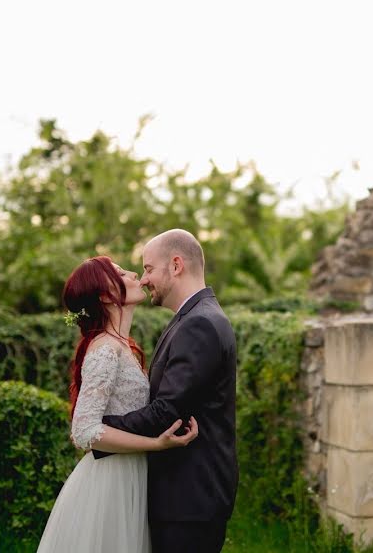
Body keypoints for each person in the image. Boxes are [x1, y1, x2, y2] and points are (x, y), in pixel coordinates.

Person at [37, 255, 199, 553]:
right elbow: (84, 431)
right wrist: (156, 445)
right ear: (105, 295)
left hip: (131, 473)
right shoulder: (105, 350)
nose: (134, 273)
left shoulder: (122, 346)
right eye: (121, 273)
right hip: (109, 482)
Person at [96, 229, 238, 553]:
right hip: (183, 496)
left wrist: (98, 429)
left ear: (175, 266)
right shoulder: (190, 318)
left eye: (148, 269)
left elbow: (167, 411)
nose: (144, 280)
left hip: (189, 498)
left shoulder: (199, 324)